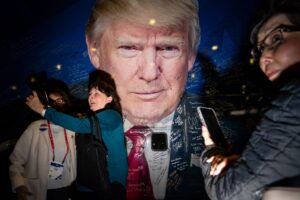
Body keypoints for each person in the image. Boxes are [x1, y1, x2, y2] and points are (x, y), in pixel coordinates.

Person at [84, 0, 217, 199]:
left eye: (168, 48)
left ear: (190, 54)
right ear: (94, 50)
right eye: (129, 48)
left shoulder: (234, 141)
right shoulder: (73, 136)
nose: (149, 73)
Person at [200, 0, 300, 199]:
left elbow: (229, 194)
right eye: (260, 50)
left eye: (277, 38)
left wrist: (211, 149)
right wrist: (242, 163)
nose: (264, 59)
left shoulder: (294, 99)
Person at [25, 70, 128, 199]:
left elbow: (81, 125)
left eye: (96, 93)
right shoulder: (90, 118)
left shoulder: (111, 116)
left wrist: (43, 110)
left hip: (110, 185)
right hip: (87, 186)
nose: (91, 97)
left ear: (110, 98)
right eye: (90, 93)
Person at [9, 79, 77, 200]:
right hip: (39, 190)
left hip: (66, 188)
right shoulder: (35, 128)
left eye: (60, 100)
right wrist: (18, 184)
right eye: (52, 101)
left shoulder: (72, 127)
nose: (56, 105)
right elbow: (16, 161)